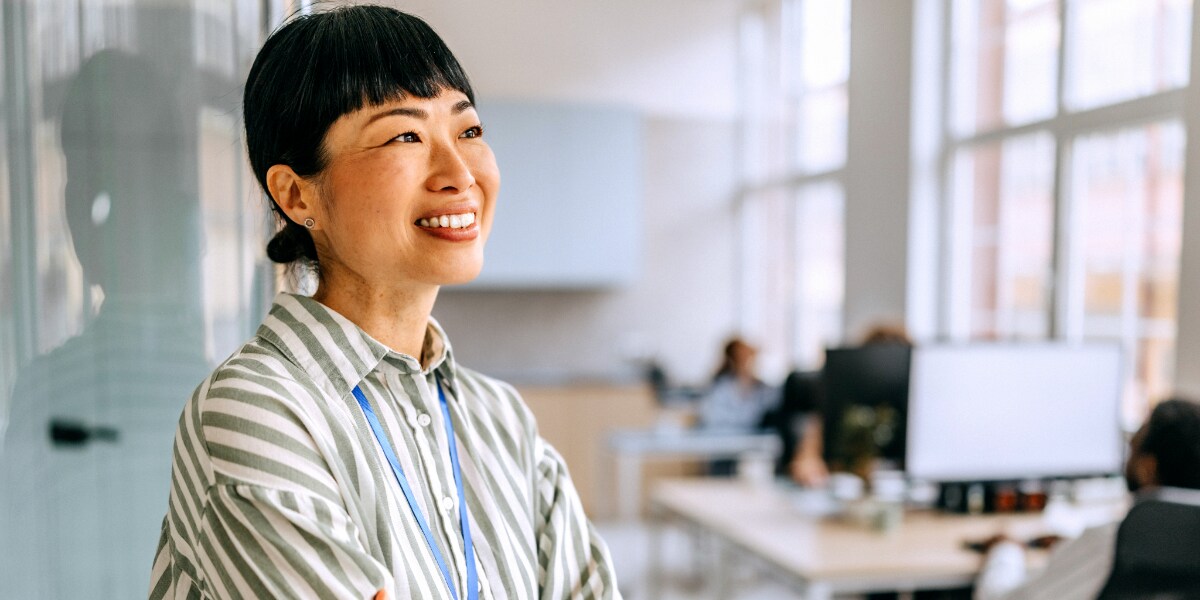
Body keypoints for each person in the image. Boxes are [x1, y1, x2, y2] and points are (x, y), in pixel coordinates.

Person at [147, 6, 618, 599]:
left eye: (469, 131)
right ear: (296, 195)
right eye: (405, 135)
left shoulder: (501, 421)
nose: (459, 173)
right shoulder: (254, 411)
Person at [975, 397, 1200, 600]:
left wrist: (1006, 550)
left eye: (1134, 444)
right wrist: (1073, 550)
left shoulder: (1113, 544)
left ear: (1147, 468)